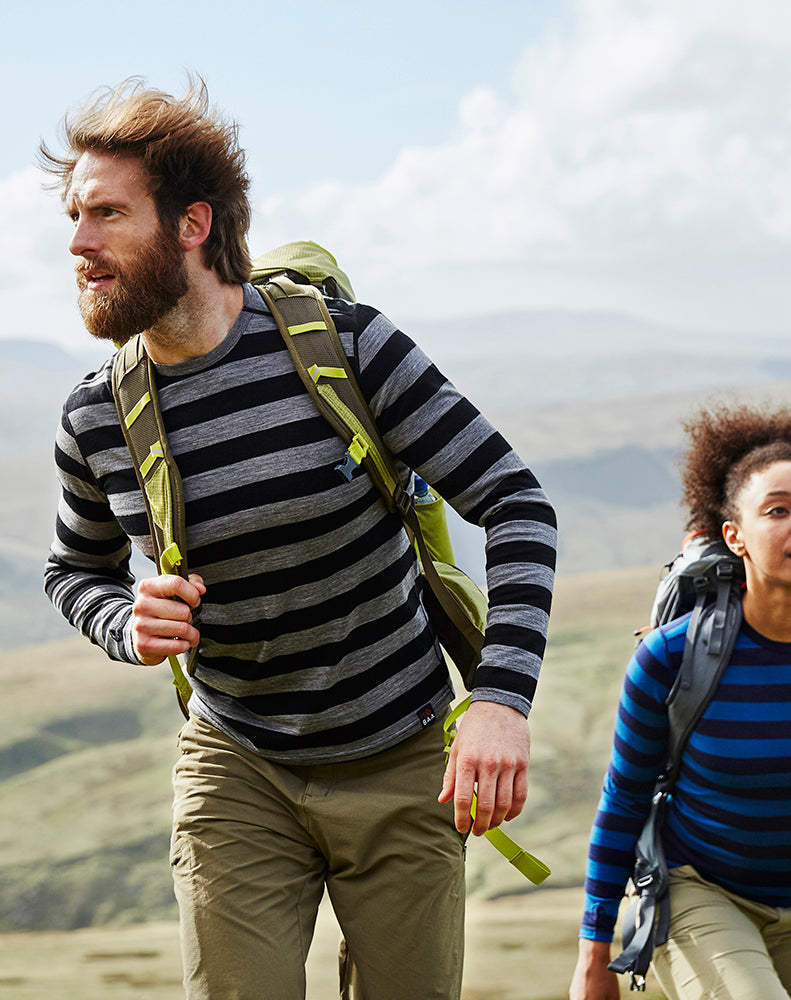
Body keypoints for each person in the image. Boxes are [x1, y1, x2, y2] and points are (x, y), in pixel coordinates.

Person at [40, 77, 557, 1000]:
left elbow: (516, 501)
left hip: (402, 756)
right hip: (237, 766)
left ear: (192, 224)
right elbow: (73, 570)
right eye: (75, 217)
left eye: (106, 214)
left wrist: (500, 701)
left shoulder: (348, 349)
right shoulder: (94, 420)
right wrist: (128, 621)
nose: (78, 243)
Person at [570, 403, 791, 1000]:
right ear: (734, 536)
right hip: (698, 891)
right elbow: (624, 798)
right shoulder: (671, 657)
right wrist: (594, 954)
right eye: (778, 510)